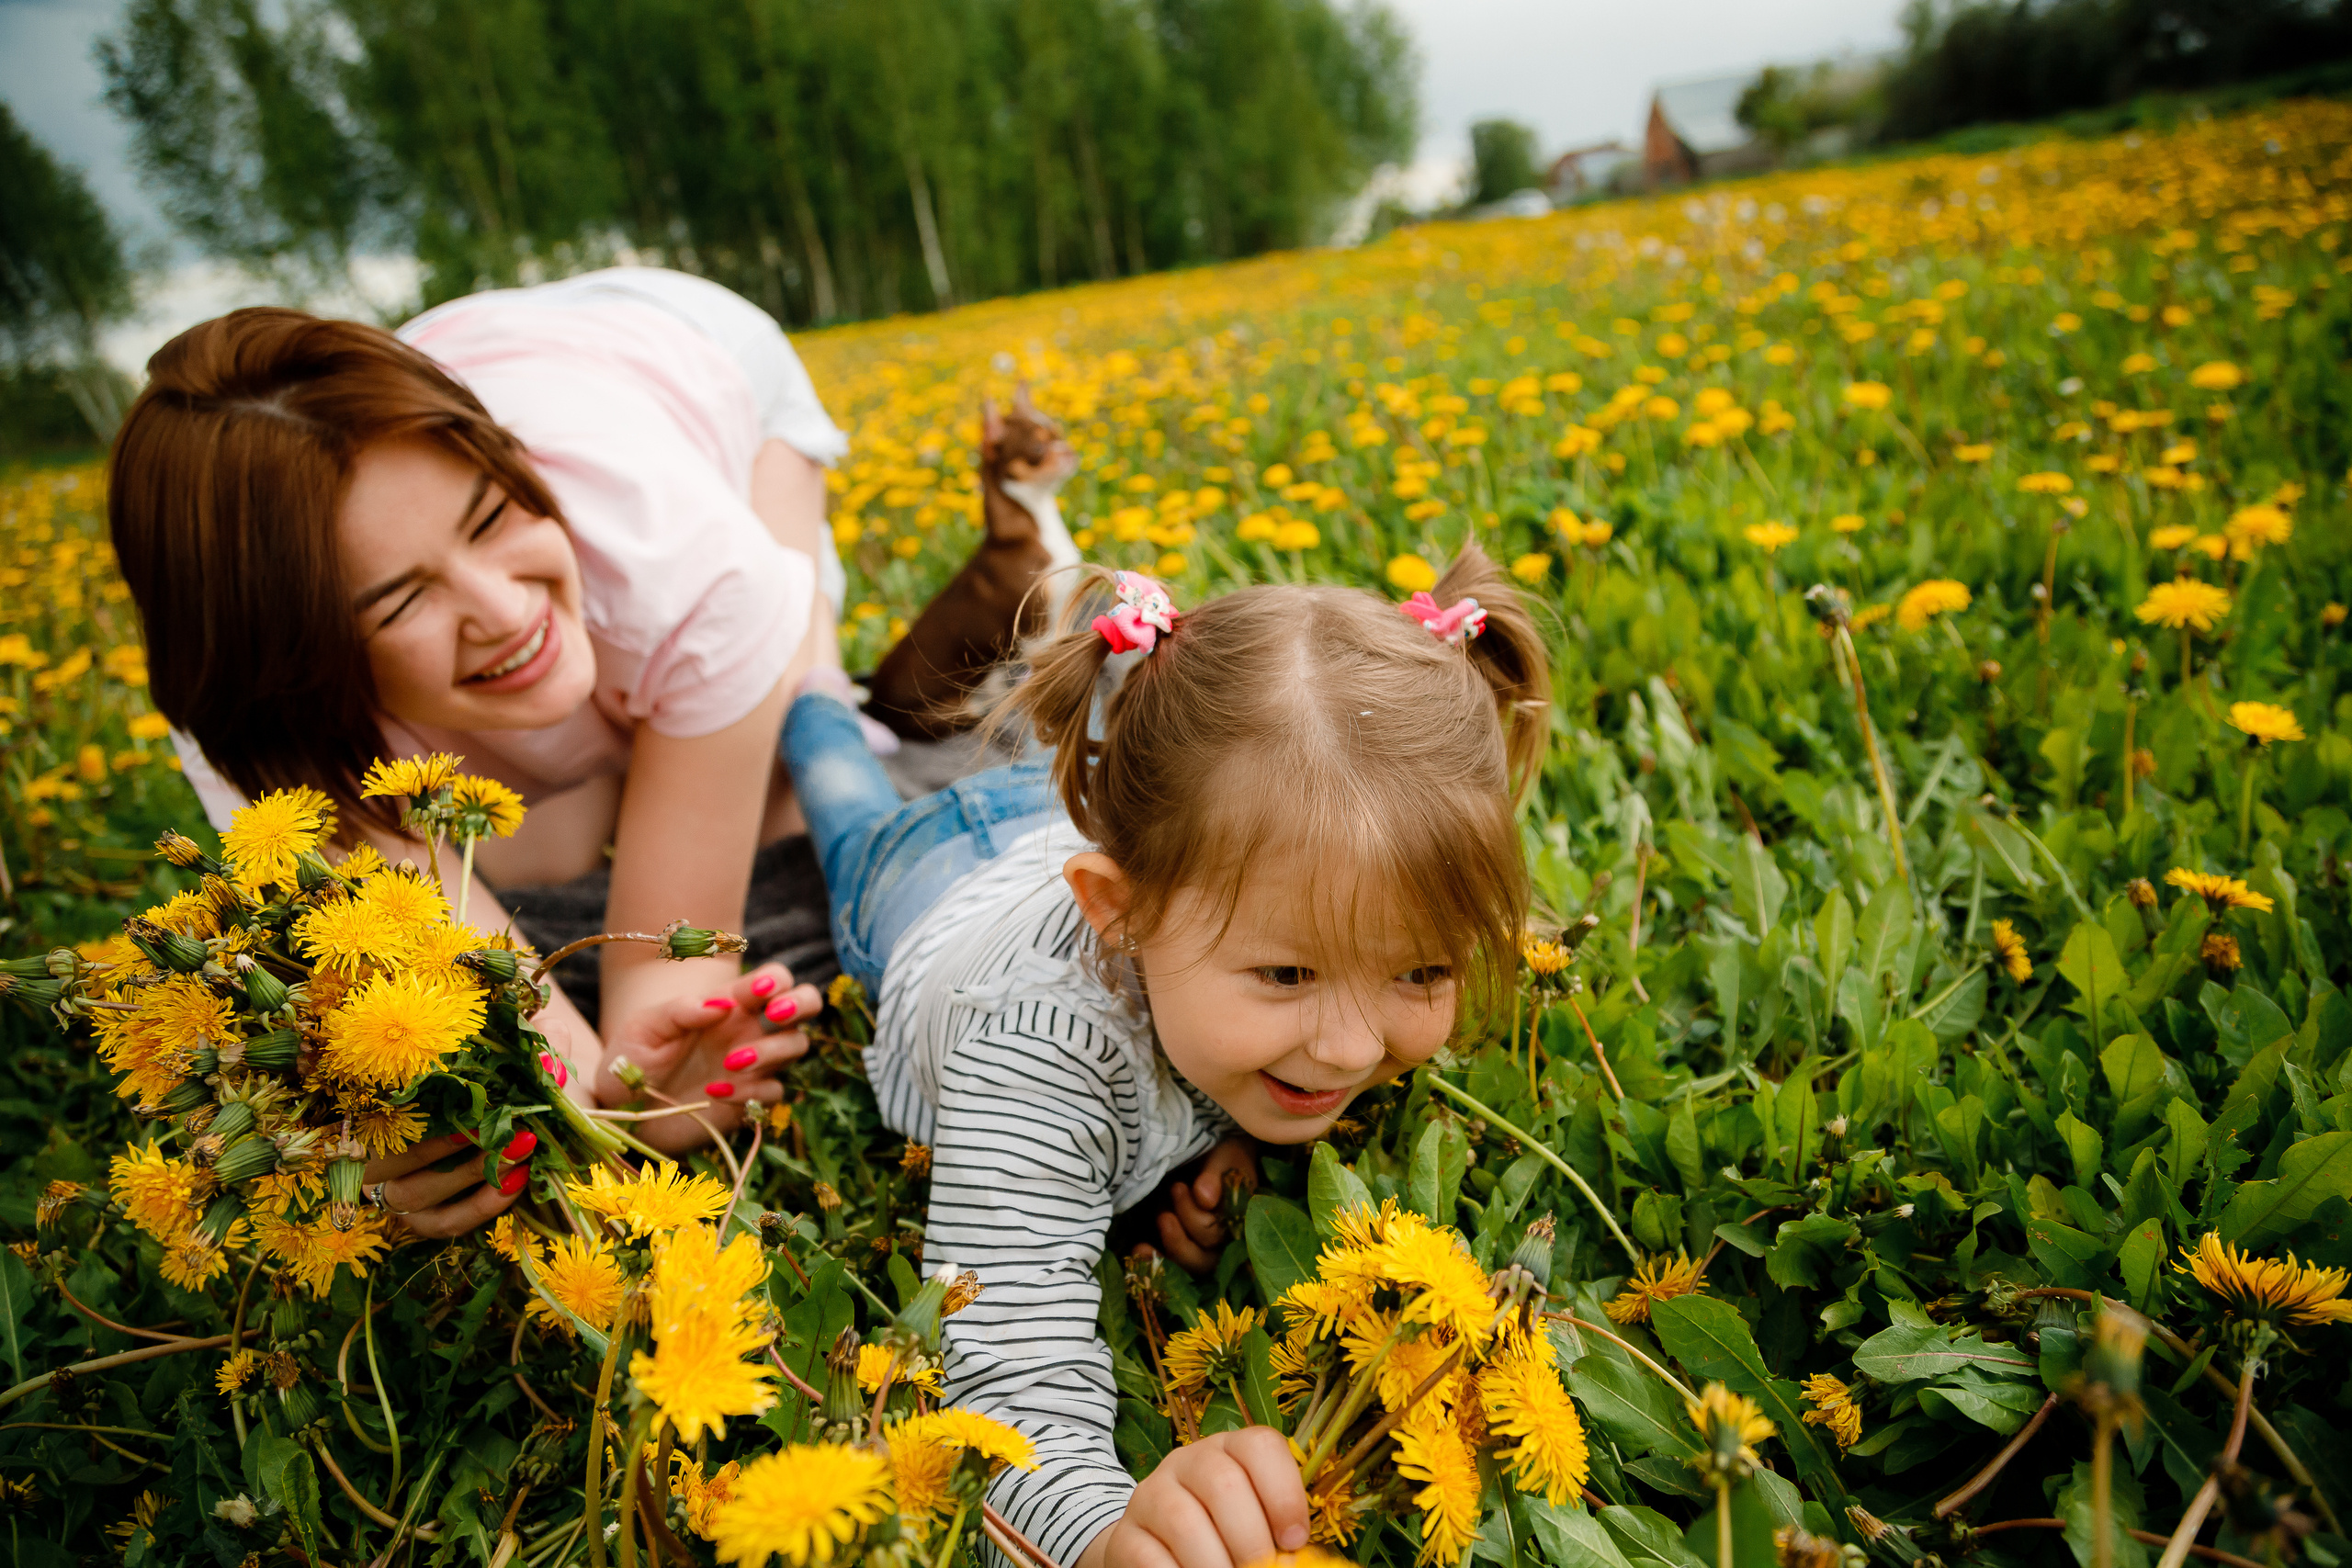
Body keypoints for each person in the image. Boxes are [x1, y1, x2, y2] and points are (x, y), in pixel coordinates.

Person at [777, 547, 1550, 1568]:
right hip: (923, 878)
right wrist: (1098, 1540)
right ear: (1122, 914)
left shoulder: (1228, 907)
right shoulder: (1031, 1057)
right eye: (1286, 976)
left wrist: (1225, 1128)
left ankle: (993, 711)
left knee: (1009, 756)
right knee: (840, 787)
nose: (1354, 1047)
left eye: (1419, 973)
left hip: (1062, 826)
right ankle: (807, 685)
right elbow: (1007, 1384)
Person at [107, 268, 872, 1237]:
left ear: (508, 471)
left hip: (695, 365)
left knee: (787, 771)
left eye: (492, 519)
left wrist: (640, 1074)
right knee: (521, 862)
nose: (507, 612)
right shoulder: (254, 732)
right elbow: (546, 1056)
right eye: (399, 600)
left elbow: (659, 983)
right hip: (505, 422)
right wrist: (382, 1139)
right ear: (292, 662)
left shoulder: (685, 560)